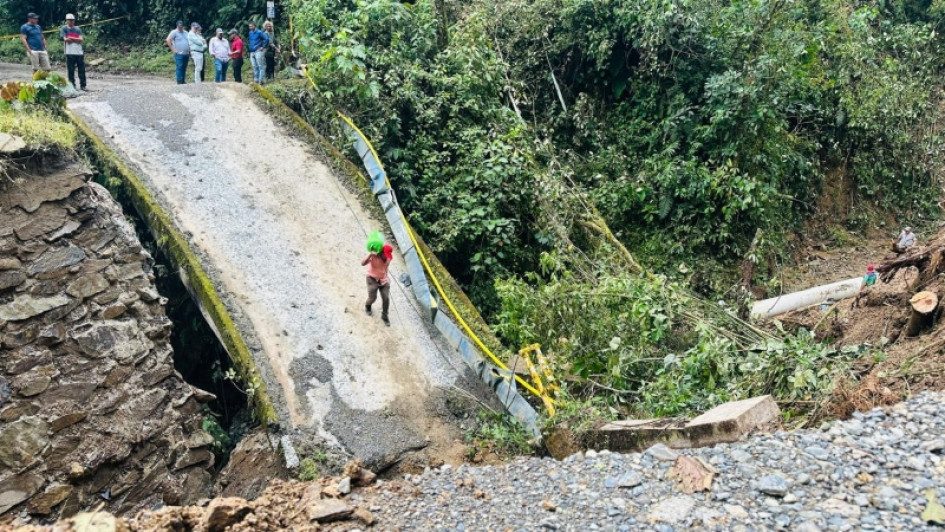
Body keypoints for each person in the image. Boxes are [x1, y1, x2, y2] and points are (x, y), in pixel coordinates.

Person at [362, 239, 393, 327]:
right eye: (385, 254)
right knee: (373, 298)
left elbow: (385, 267)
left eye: (388, 255)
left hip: (383, 280)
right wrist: (370, 255)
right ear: (381, 252)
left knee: (386, 298)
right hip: (372, 278)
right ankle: (368, 306)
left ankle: (384, 316)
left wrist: (386, 276)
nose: (387, 257)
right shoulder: (374, 255)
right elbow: (362, 263)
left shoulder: (389, 257)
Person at [60, 14, 86, 91]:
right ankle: (72, 86)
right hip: (69, 52)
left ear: (74, 20)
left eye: (72, 20)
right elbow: (65, 39)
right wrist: (76, 39)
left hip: (79, 52)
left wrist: (71, 38)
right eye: (69, 20)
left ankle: (83, 85)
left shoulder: (78, 29)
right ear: (66, 20)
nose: (71, 21)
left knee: (81, 69)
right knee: (70, 70)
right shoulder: (64, 28)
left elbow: (81, 39)